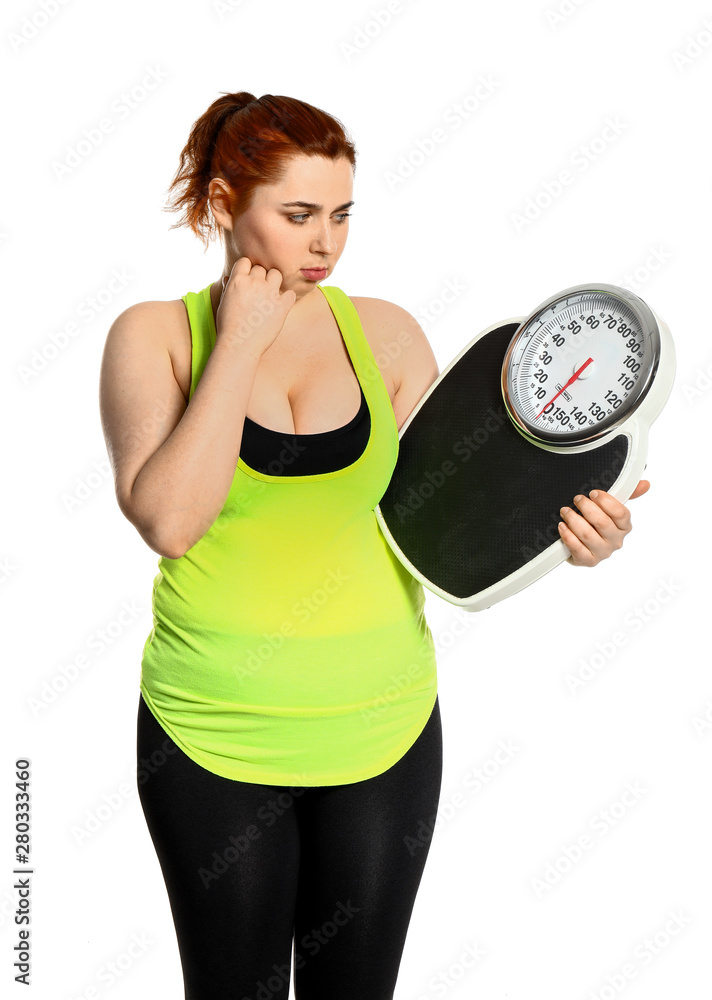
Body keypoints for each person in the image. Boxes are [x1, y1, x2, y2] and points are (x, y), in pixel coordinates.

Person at [98, 91, 649, 999]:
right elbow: (168, 520)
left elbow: (448, 522)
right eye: (299, 214)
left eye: (343, 214)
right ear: (226, 205)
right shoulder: (155, 336)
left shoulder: (384, 333)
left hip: (385, 732)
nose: (326, 243)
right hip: (209, 737)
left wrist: (569, 537)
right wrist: (240, 341)